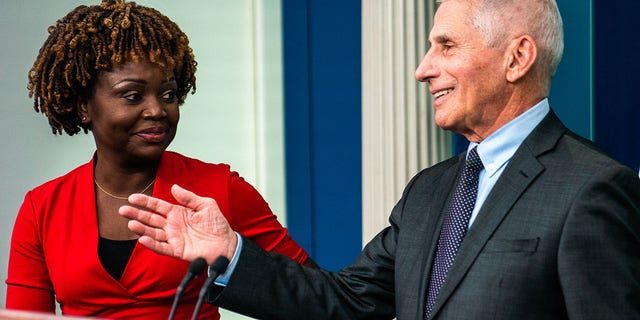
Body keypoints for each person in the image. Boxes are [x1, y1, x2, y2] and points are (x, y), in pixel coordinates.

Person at [119, 0, 640, 319]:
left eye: (446, 46)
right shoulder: (430, 189)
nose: (422, 68)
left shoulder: (593, 189)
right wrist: (228, 252)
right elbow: (344, 303)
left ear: (517, 58)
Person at [5, 1, 317, 319]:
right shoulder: (42, 208)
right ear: (85, 106)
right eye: (133, 95)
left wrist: (236, 255)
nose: (157, 110)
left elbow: (316, 297)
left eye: (168, 95)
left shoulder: (218, 188)